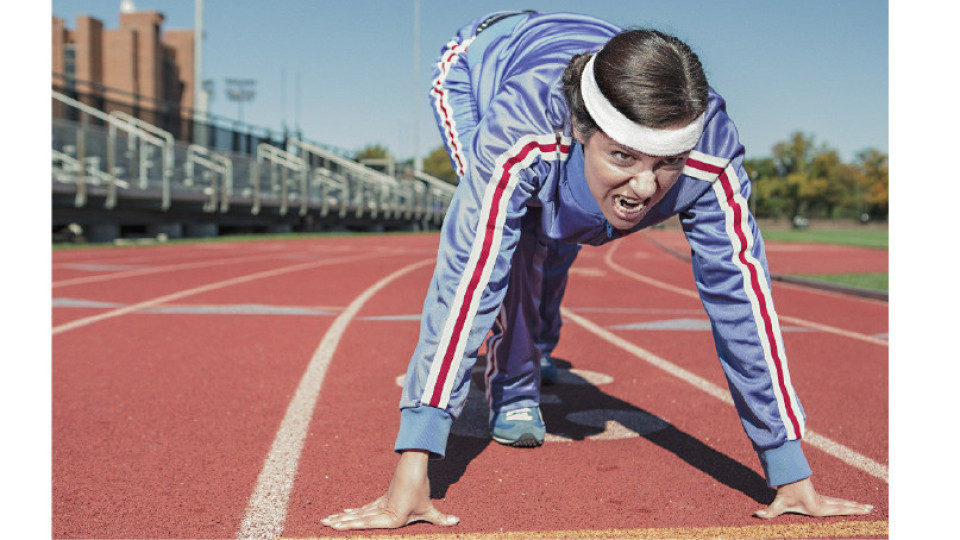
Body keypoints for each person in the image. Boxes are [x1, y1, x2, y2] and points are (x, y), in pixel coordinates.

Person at [322, 10, 873, 530]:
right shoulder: (521, 131)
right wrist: (414, 467)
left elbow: (743, 303)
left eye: (667, 164)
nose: (645, 187)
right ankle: (514, 385)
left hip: (590, 62)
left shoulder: (711, 156)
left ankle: (539, 341)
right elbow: (468, 279)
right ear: (585, 130)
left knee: (567, 230)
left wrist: (789, 469)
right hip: (480, 64)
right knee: (515, 241)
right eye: (625, 157)